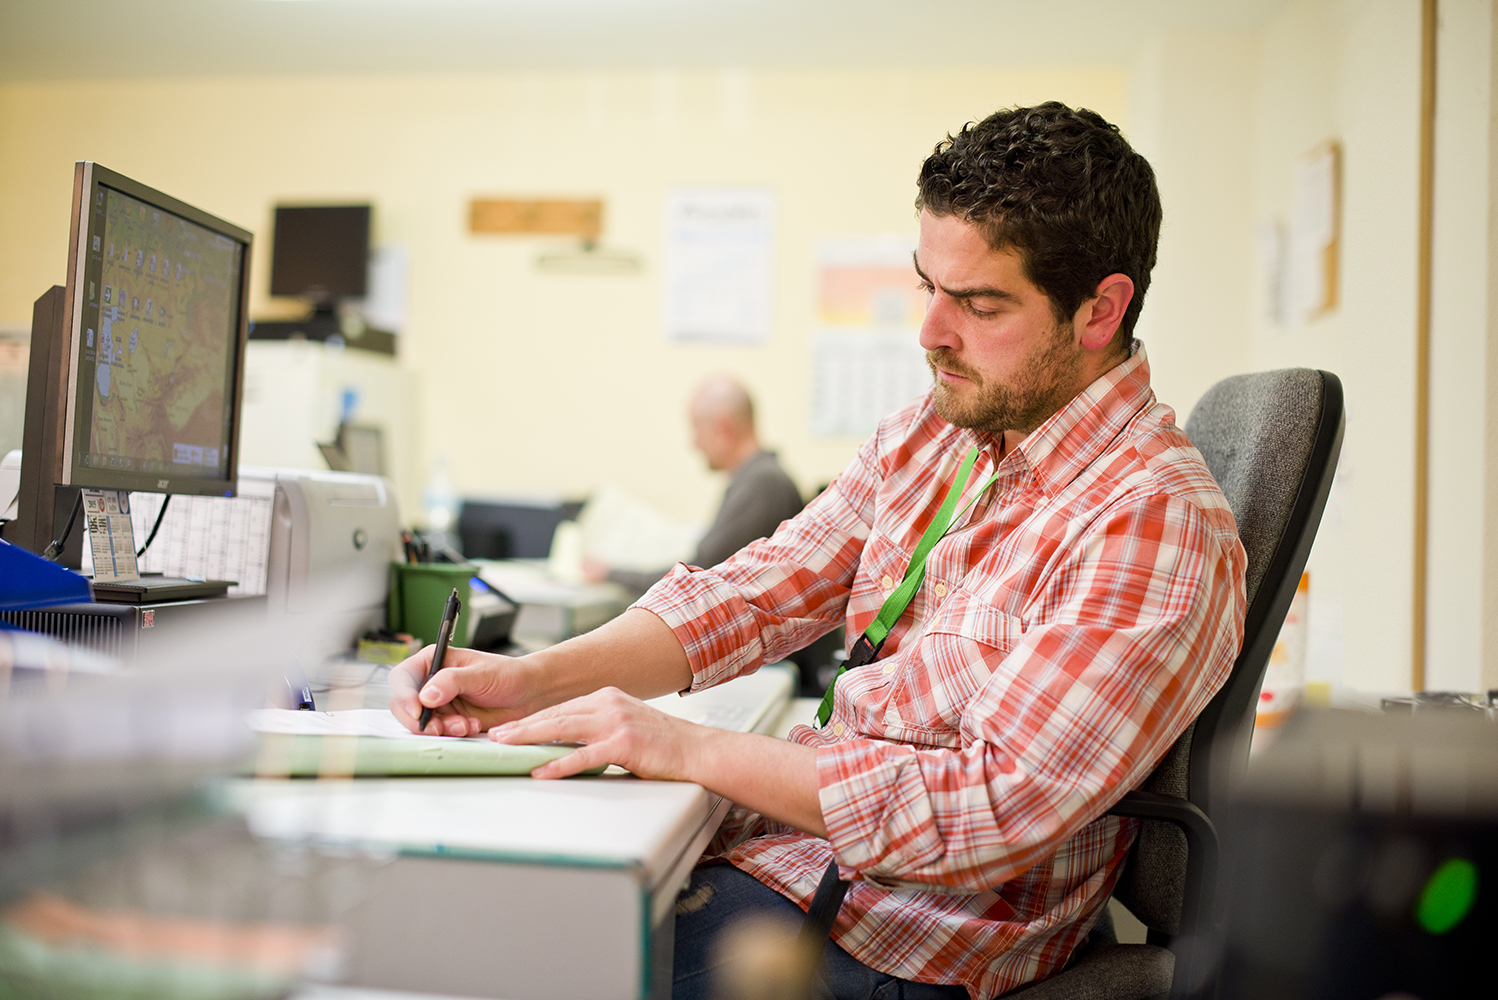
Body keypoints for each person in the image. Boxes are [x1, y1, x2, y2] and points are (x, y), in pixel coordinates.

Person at [390, 101, 1247, 1000]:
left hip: (906, 946)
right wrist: (536, 679)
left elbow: (987, 808)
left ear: (1100, 310)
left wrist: (681, 747)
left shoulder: (1152, 519)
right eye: (928, 286)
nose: (929, 333)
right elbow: (759, 592)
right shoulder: (946, 430)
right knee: (473, 908)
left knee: (486, 963)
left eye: (979, 302)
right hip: (805, 876)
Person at [589, 374, 805, 594]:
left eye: (697, 430)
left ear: (722, 429)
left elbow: (700, 573)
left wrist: (612, 575)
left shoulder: (762, 484)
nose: (694, 444)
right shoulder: (761, 479)